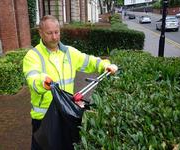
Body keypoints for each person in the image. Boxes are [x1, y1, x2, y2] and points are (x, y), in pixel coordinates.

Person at [23, 15, 118, 150]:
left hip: (66, 115)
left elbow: (89, 61)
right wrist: (42, 81)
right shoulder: (33, 56)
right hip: (44, 118)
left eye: (57, 32)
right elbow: (33, 78)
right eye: (49, 33)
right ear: (40, 32)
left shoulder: (69, 52)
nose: (54, 37)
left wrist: (105, 65)